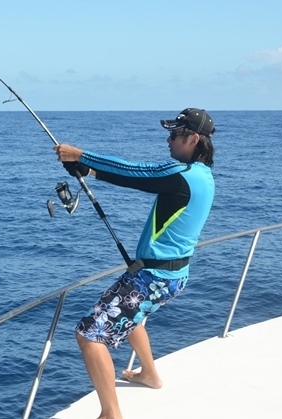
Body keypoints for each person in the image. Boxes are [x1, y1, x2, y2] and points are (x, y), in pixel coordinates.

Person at [54, 108, 216, 419]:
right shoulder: (203, 176)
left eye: (174, 134)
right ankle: (149, 375)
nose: (168, 139)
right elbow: (143, 179)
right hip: (172, 275)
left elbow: (138, 173)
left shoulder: (182, 175)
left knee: (89, 336)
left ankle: (111, 414)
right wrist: (86, 172)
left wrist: (81, 155)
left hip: (153, 278)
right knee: (133, 317)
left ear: (193, 139)